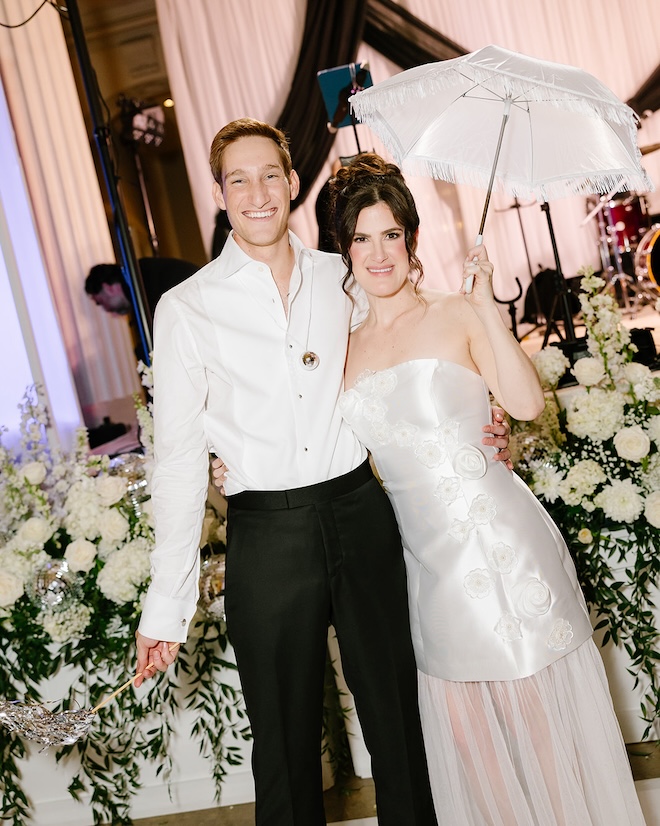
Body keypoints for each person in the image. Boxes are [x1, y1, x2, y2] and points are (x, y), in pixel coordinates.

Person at [133, 118, 511, 826]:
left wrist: (481, 418)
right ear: (219, 194)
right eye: (238, 180)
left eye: (269, 175)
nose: (256, 193)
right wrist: (165, 605)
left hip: (361, 513)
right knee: (282, 743)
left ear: (293, 181)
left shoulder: (343, 278)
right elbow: (179, 462)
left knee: (399, 722)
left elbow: (411, 355)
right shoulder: (188, 307)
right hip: (267, 532)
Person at [330, 153, 646, 825]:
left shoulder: (456, 313)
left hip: (499, 543)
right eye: (362, 238)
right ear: (344, 249)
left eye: (391, 235)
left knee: (538, 725)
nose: (379, 253)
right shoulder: (342, 350)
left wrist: (487, 312)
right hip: (425, 564)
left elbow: (526, 405)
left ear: (412, 238)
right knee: (468, 736)